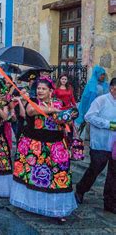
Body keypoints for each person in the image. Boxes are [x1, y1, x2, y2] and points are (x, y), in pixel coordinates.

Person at [10, 77, 77, 222]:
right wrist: (53, 110)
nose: (40, 91)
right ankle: (34, 204)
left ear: (51, 91)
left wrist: (66, 117)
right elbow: (31, 111)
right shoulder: (33, 102)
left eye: (43, 89)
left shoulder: (60, 103)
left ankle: (58, 209)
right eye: (39, 88)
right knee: (35, 175)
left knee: (59, 175)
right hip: (35, 144)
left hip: (56, 145)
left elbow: (67, 121)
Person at [75, 77, 116, 214]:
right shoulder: (102, 100)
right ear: (112, 88)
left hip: (114, 144)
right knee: (95, 169)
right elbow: (89, 116)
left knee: (113, 173)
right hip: (100, 142)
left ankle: (109, 202)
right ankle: (80, 189)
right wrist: (108, 124)